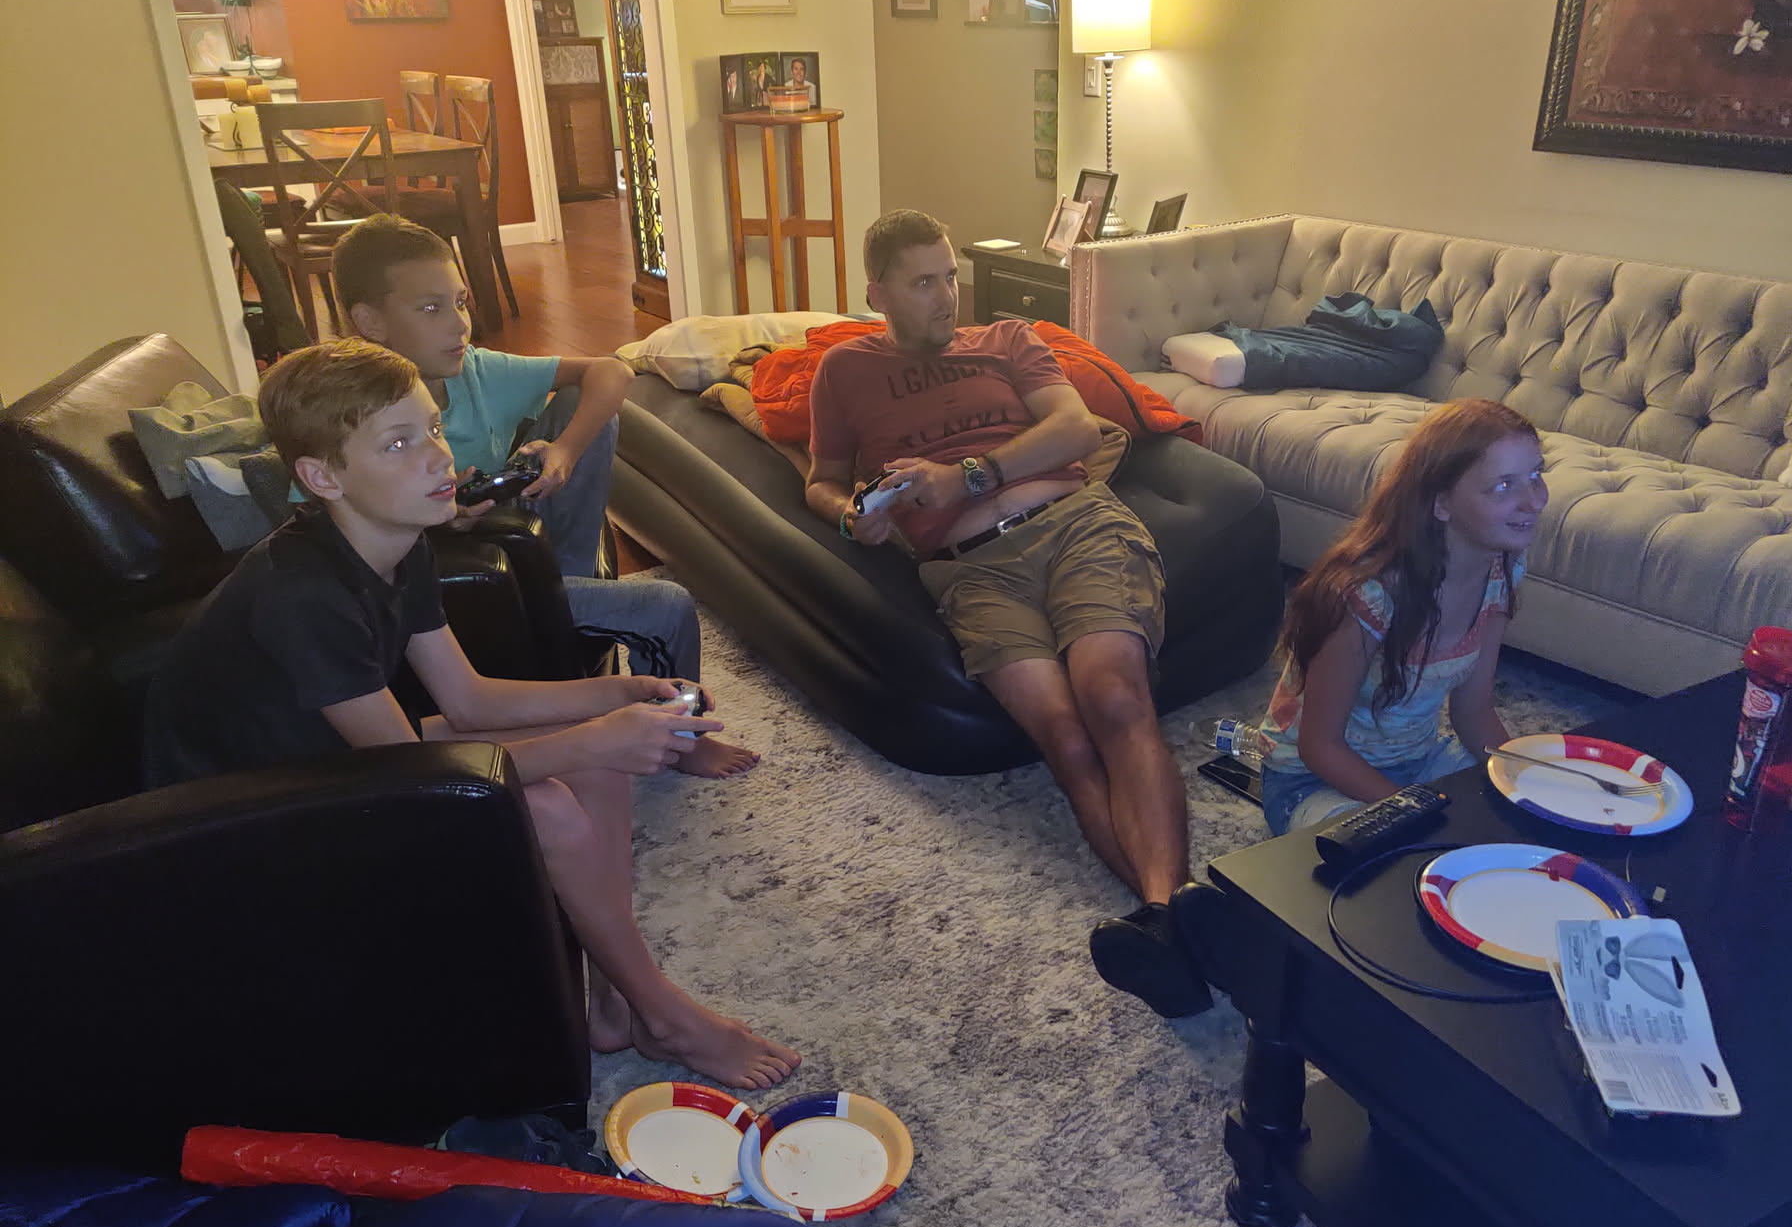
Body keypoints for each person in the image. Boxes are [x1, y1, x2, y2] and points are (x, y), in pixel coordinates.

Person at [141, 341, 800, 1090]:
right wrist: (596, 736)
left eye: (430, 427)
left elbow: (469, 699)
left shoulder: (400, 541)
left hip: (330, 756)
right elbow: (408, 770)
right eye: (397, 444)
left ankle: (617, 1000)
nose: (437, 455)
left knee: (599, 761)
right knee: (550, 808)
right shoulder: (302, 594)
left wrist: (613, 698)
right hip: (244, 823)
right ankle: (666, 1015)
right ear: (323, 477)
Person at [804, 209, 1208, 1019]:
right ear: (877, 293)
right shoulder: (844, 370)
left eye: (949, 276)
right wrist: (851, 516)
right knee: (1064, 737)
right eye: (923, 283)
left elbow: (1074, 426)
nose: (946, 295)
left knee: (1114, 698)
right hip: (971, 571)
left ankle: (1168, 919)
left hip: (1074, 524)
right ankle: (1184, 929)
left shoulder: (1008, 339)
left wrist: (968, 476)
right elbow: (821, 478)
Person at [332, 214, 756, 778]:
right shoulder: (346, 418)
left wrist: (564, 453)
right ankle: (681, 739)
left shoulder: (475, 372)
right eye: (430, 308)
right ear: (369, 321)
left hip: (512, 547)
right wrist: (440, 522)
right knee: (669, 606)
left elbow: (610, 372)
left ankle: (572, 575)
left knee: (583, 409)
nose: (459, 324)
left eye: (460, 302)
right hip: (459, 591)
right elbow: (338, 541)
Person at [1255, 399, 1547, 835]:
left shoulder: (1501, 572)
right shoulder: (1366, 598)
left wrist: (1529, 788)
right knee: (1397, 854)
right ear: (1441, 503)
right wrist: (1417, 809)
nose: (1533, 501)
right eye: (1504, 485)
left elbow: (1473, 710)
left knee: (1513, 823)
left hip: (1419, 761)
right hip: (1311, 782)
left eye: (1536, 475)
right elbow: (1319, 747)